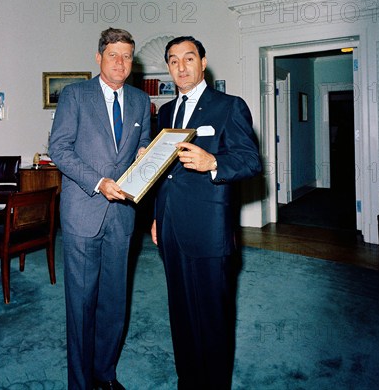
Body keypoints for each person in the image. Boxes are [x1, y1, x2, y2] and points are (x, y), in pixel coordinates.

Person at [151, 36, 262, 389]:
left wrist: (213, 161)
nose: (181, 67)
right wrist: (157, 216)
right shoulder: (166, 112)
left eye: (188, 58)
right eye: (173, 60)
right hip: (170, 225)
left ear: (203, 62)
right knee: (181, 312)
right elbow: (164, 174)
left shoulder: (229, 106)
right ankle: (188, 380)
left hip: (209, 228)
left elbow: (250, 161)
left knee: (213, 317)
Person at [49, 28, 151, 390]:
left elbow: (141, 148)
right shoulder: (75, 95)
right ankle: (79, 383)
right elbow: (59, 149)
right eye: (113, 55)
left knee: (113, 301)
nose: (121, 62)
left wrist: (145, 157)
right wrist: (98, 182)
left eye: (127, 56)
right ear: (99, 58)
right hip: (82, 212)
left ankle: (105, 374)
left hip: (122, 217)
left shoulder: (140, 101)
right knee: (81, 305)